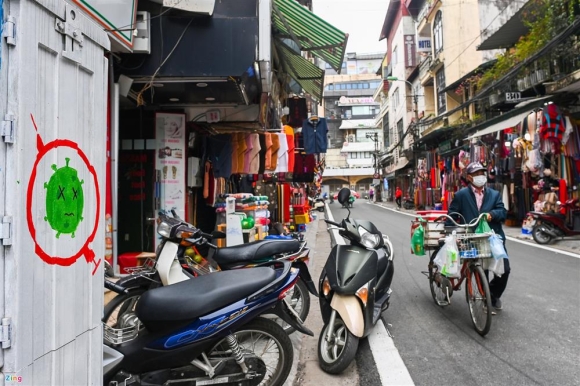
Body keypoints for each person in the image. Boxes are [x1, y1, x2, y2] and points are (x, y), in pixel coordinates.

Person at [447, 162, 509, 311]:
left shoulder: (494, 195)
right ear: (469, 177)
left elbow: (503, 212)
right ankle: (485, 298)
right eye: (476, 174)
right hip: (472, 238)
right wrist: (452, 233)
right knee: (482, 270)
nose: (480, 176)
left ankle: (493, 295)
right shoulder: (461, 195)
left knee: (505, 270)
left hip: (493, 237)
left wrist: (492, 215)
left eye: (482, 173)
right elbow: (452, 215)